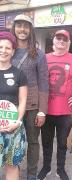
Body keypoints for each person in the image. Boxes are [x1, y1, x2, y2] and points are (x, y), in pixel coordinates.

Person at [37, 29, 72, 180]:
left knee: (62, 143)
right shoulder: (44, 57)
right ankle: (46, 167)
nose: (61, 41)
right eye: (59, 38)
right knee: (46, 142)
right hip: (46, 110)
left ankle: (60, 169)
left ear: (68, 43)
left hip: (65, 111)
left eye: (65, 39)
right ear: (54, 41)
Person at [11, 14, 49, 180]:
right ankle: (13, 170)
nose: (22, 29)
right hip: (11, 104)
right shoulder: (7, 50)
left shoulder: (38, 54)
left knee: (33, 142)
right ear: (14, 28)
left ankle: (32, 174)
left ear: (31, 30)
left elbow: (44, 82)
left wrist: (42, 111)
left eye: (26, 26)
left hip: (33, 105)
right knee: (12, 140)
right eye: (19, 25)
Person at [0, 31, 28, 180]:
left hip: (13, 127)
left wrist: (17, 122)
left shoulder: (19, 74)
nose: (3, 51)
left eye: (7, 48)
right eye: (1, 47)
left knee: (12, 165)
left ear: (13, 51)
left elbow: (23, 100)